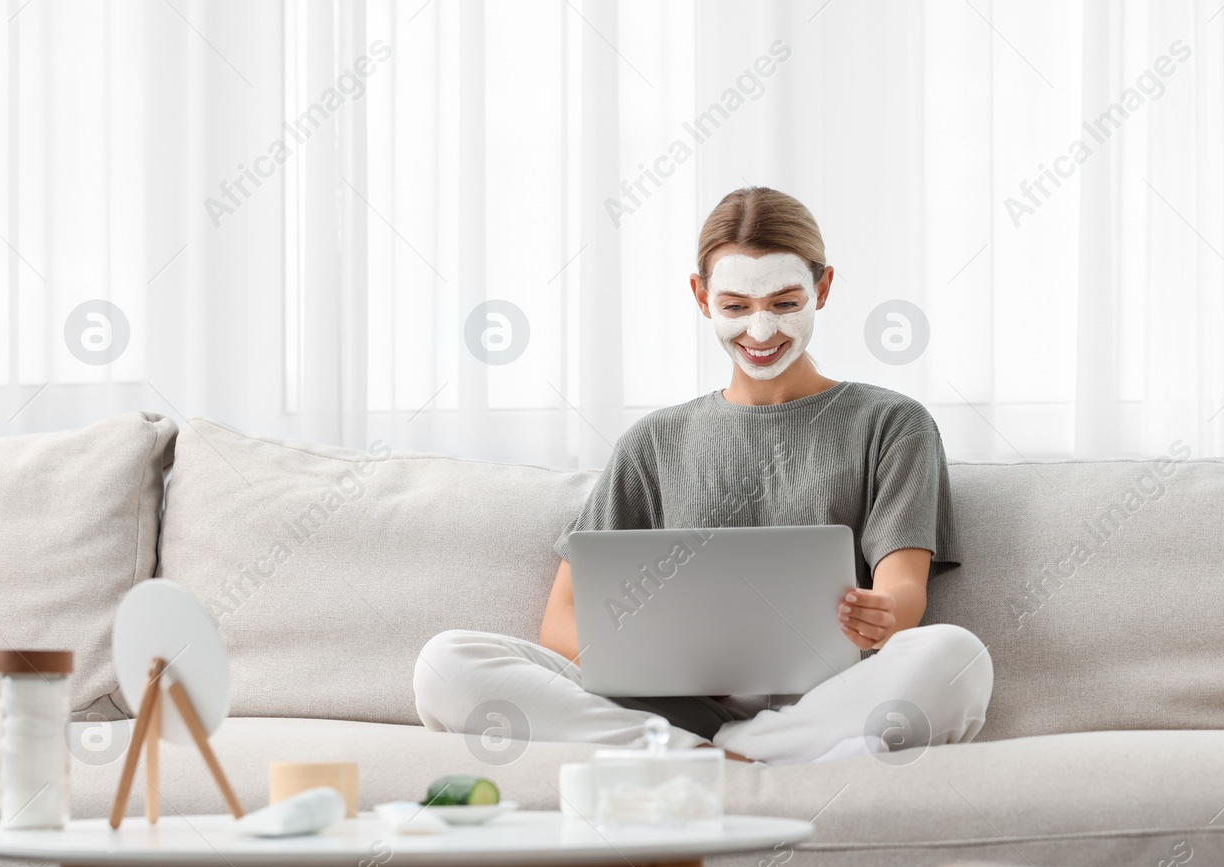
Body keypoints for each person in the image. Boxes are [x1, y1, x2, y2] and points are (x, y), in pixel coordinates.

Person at [413, 187, 993, 764]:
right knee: (447, 661)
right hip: (668, 707)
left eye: (786, 304)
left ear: (823, 288)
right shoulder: (654, 441)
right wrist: (662, 665)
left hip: (823, 698)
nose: (761, 333)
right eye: (736, 307)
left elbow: (904, 590)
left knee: (957, 656)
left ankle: (734, 752)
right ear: (701, 295)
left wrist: (883, 617)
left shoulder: (894, 423)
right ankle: (705, 751)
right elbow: (561, 620)